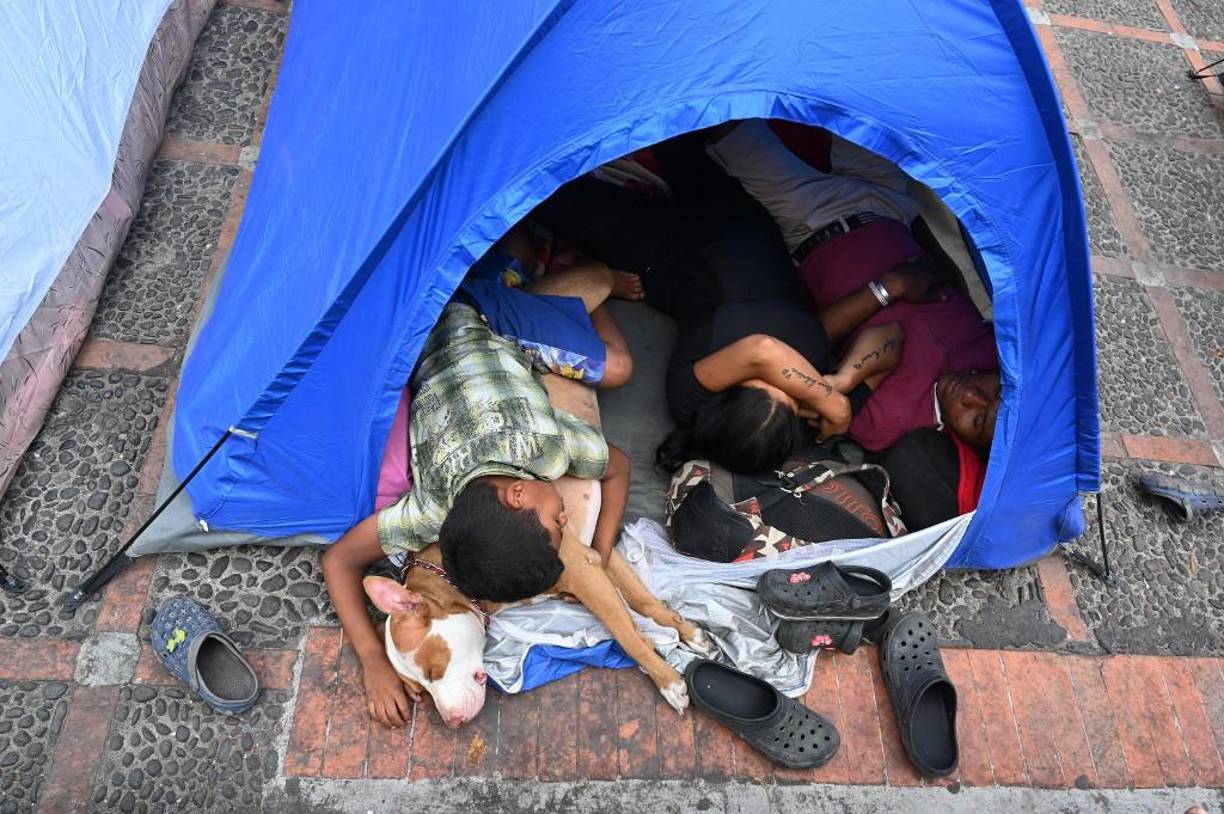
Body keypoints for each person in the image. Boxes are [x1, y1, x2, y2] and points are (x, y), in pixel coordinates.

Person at [321, 298, 631, 729]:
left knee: (617, 368)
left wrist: (601, 547)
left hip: (488, 318)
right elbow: (337, 561)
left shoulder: (547, 446)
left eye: (555, 523)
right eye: (563, 521)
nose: (564, 519)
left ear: (519, 495)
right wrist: (374, 661)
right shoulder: (431, 511)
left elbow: (618, 467)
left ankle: (592, 283)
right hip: (427, 332)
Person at [531, 171, 905, 475]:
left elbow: (763, 351)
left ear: (725, 402)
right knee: (693, 138)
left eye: (771, 384)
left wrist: (827, 399)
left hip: (672, 255)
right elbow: (891, 338)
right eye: (789, 392)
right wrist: (841, 383)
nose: (788, 381)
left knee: (545, 193)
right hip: (744, 226)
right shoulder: (811, 414)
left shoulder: (691, 400)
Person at [706, 119, 1001, 456]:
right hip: (892, 209)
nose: (971, 395)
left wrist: (892, 287)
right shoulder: (996, 355)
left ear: (969, 444)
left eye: (977, 419)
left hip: (817, 223)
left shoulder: (886, 420)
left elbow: (810, 338)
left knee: (733, 128)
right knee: (867, 95)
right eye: (995, 394)